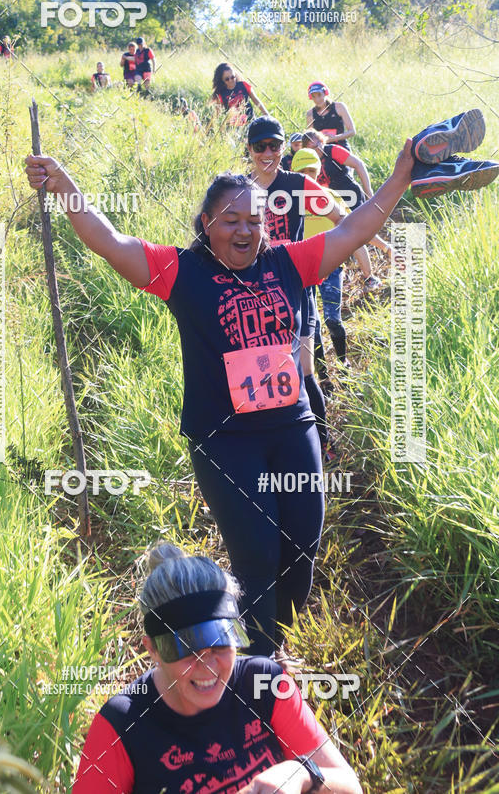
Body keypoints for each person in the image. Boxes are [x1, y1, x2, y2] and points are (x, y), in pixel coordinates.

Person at [24, 137, 415, 655]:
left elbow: (354, 227)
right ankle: (260, 663)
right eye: (231, 220)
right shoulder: (183, 272)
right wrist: (64, 187)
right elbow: (110, 241)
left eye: (254, 221)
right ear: (206, 223)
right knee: (256, 553)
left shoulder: (289, 265)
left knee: (302, 548)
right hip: (226, 441)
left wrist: (402, 176)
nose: (244, 230)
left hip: (293, 431)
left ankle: (279, 645)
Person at [72, 543, 363, 794]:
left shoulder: (264, 683)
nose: (208, 666)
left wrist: (300, 773)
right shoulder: (122, 725)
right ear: (153, 650)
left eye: (221, 643)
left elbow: (350, 785)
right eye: (186, 649)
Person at [246, 116, 343, 460]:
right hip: (254, 297)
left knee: (304, 369)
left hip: (297, 291)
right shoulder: (240, 189)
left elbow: (342, 222)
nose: (268, 152)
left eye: (275, 145)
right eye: (261, 146)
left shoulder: (298, 184)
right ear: (250, 149)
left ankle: (323, 444)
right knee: (264, 373)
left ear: (284, 147)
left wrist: (321, 261)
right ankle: (274, 450)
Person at [301, 130, 392, 291]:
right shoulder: (308, 162)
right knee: (346, 234)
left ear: (323, 141)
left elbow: (359, 164)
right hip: (330, 200)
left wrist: (368, 190)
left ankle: (379, 260)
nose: (318, 148)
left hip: (349, 194)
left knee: (355, 233)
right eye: (313, 147)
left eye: (319, 144)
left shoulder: (333, 151)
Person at [295, 147, 349, 386]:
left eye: (312, 170)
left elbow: (351, 230)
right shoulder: (286, 204)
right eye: (302, 171)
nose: (308, 175)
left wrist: (365, 262)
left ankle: (343, 361)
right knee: (312, 327)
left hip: (332, 268)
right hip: (303, 272)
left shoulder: (330, 198)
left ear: (318, 172)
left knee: (332, 319)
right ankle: (323, 376)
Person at [211, 63, 267, 128]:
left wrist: (266, 114)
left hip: (251, 122)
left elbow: (257, 101)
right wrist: (210, 128)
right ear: (222, 80)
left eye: (232, 77)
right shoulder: (221, 95)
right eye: (227, 79)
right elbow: (216, 115)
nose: (231, 80)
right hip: (234, 128)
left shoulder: (244, 85)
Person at [306, 82, 354, 151]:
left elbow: (352, 131)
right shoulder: (310, 114)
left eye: (319, 95)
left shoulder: (339, 107)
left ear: (325, 93)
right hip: (321, 150)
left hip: (341, 147)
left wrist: (335, 138)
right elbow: (310, 138)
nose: (317, 99)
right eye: (314, 96)